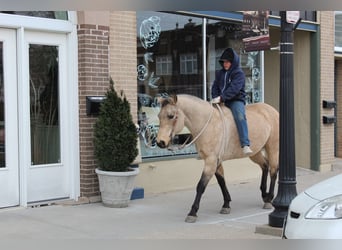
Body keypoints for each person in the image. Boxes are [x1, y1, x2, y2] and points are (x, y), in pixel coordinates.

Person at [211, 47, 253, 156]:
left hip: (235, 100)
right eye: (224, 62)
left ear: (233, 62)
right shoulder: (219, 73)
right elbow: (215, 86)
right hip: (221, 100)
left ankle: (245, 144)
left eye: (228, 62)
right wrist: (215, 97)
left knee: (240, 116)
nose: (225, 64)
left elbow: (234, 89)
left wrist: (221, 98)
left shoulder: (239, 73)